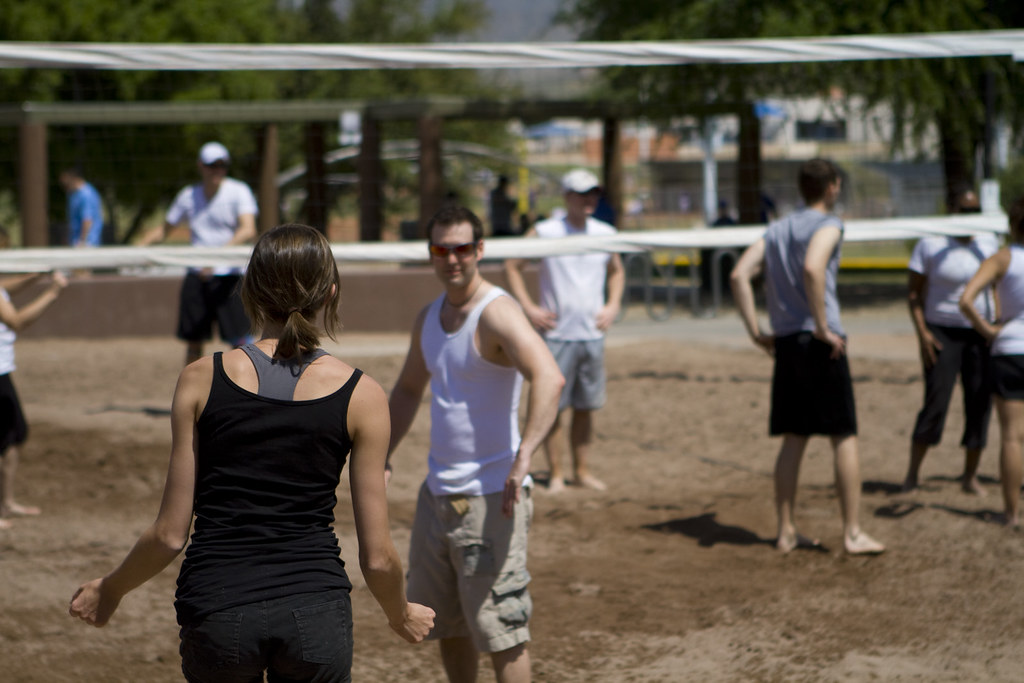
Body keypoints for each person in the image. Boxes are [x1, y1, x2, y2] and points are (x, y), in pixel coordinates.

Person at [70, 224, 435, 680]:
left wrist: (111, 589)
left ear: (250, 289)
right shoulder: (363, 394)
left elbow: (168, 535)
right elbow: (378, 556)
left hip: (219, 607)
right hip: (314, 612)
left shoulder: (201, 378)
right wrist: (399, 613)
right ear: (332, 293)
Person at [388, 206, 564, 683]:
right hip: (438, 494)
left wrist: (525, 455)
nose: (452, 259)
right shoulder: (428, 317)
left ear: (479, 250)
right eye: (441, 249)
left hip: (492, 497)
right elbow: (407, 389)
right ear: (430, 254)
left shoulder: (498, 311)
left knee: (501, 632)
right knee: (448, 624)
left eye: (462, 248)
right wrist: (382, 451)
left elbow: (549, 376)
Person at [730, 158, 885, 555]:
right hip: (819, 342)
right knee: (843, 436)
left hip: (785, 342)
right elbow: (814, 269)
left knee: (793, 439)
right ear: (831, 187)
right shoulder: (828, 224)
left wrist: (755, 333)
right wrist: (821, 327)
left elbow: (738, 275)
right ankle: (851, 534)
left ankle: (785, 531)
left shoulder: (777, 228)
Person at [504, 168, 624, 493]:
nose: (590, 199)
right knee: (554, 408)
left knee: (586, 407)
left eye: (594, 193)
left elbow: (617, 271)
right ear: (567, 196)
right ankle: (556, 473)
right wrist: (529, 308)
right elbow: (512, 265)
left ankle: (581, 472)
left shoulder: (604, 231)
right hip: (556, 336)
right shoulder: (545, 231)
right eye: (583, 193)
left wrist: (612, 305)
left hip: (592, 335)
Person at [902, 188, 999, 494]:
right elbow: (914, 294)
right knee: (935, 402)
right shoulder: (930, 243)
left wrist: (995, 324)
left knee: (979, 402)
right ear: (952, 211)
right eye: (964, 211)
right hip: (941, 332)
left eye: (974, 211)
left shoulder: (988, 241)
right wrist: (923, 334)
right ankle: (913, 475)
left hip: (978, 334)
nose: (969, 219)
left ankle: (969, 476)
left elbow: (995, 286)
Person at [141, 141, 257, 365]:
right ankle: (193, 395)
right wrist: (137, 250)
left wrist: (216, 259)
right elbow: (164, 230)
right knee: (193, 342)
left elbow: (248, 229)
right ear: (200, 166)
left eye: (222, 165)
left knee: (240, 343)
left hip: (231, 277)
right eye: (212, 165)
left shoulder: (238, 191)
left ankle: (249, 392)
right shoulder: (188, 195)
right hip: (198, 276)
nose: (217, 170)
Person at [960, 197, 1024, 526]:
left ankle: (1011, 513)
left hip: (1011, 348)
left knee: (1012, 436)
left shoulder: (1002, 258)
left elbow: (966, 300)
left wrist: (989, 330)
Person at [0, 227, 67, 528]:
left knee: (15, 435)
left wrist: (36, 273)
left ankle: (6, 502)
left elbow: (6, 289)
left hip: (3, 370)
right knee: (8, 438)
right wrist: (53, 292)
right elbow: (16, 321)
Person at [58, 168, 104, 247]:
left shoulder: (86, 194)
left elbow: (87, 220)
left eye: (66, 185)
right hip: (75, 240)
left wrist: (82, 241)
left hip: (87, 243)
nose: (65, 189)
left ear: (75, 179)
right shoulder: (73, 194)